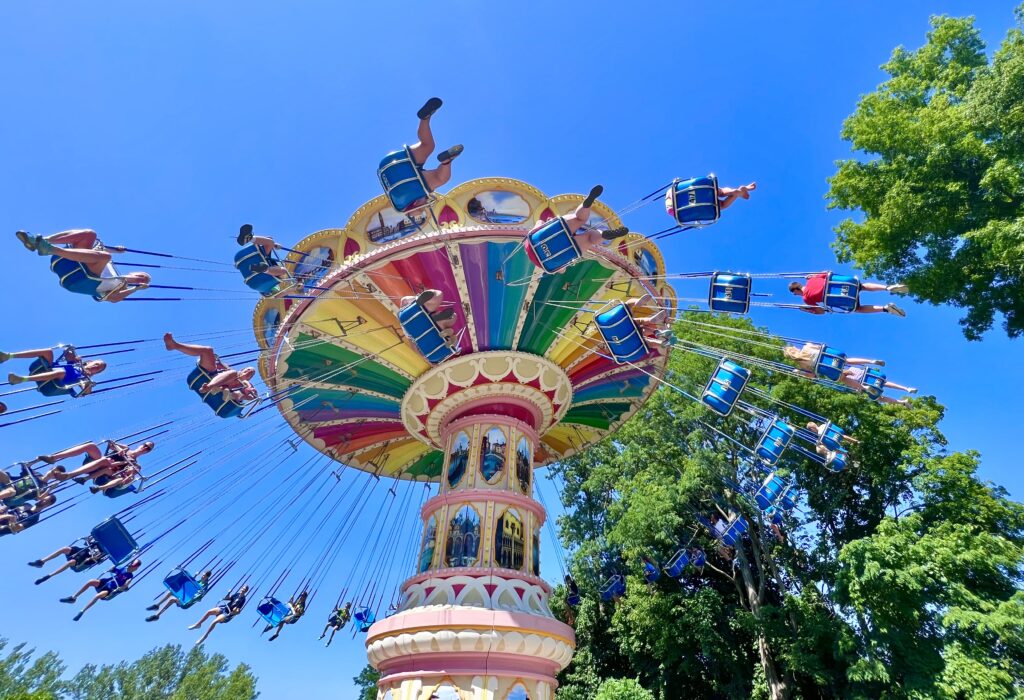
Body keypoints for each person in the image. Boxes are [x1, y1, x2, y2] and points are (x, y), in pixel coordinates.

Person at [15, 229, 150, 302]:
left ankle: (50, 249)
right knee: (90, 234)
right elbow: (96, 251)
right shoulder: (112, 269)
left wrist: (135, 289)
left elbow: (113, 299)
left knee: (104, 257)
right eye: (142, 276)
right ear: (134, 272)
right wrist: (116, 251)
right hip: (74, 261)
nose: (141, 279)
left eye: (143, 280)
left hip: (82, 280)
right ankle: (40, 242)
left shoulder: (121, 286)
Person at [525, 185, 629, 270]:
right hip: (541, 238)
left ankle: (604, 234)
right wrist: (547, 222)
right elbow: (539, 223)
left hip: (554, 258)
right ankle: (587, 206)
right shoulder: (528, 244)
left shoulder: (544, 264)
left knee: (589, 239)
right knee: (578, 218)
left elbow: (562, 269)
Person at [164, 333, 258, 403]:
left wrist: (253, 393)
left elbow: (252, 397)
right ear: (241, 370)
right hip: (214, 375)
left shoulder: (246, 385)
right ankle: (174, 345)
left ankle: (211, 388)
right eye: (248, 370)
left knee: (238, 391)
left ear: (249, 378)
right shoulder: (231, 371)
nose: (249, 371)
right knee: (208, 350)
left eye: (251, 373)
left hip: (228, 392)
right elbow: (219, 365)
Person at [37, 440, 153, 488]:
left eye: (148, 449)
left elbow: (126, 474)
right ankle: (53, 458)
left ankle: (70, 475)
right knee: (91, 446)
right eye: (145, 445)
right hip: (99, 461)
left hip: (104, 471)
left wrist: (127, 467)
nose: (144, 448)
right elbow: (111, 443)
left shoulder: (134, 463)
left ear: (147, 453)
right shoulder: (126, 448)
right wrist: (118, 449)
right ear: (141, 445)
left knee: (106, 461)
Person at [408, 97, 462, 195]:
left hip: (406, 187)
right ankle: (425, 118)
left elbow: (418, 210)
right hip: (394, 165)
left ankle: (447, 161)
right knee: (427, 145)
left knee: (440, 178)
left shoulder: (410, 201)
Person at [788, 273, 907, 316]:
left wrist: (808, 310)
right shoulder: (812, 279)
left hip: (844, 299)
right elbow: (828, 273)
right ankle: (887, 287)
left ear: (796, 291)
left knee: (858, 309)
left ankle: (885, 308)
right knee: (862, 286)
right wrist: (813, 275)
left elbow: (821, 311)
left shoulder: (806, 298)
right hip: (849, 285)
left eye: (795, 294)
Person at [60, 559, 141, 621]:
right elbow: (113, 569)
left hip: (110, 589)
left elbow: (126, 584)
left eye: (134, 567)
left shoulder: (130, 576)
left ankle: (82, 611)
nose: (132, 568)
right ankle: (73, 597)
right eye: (132, 566)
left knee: (97, 596)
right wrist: (112, 568)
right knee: (90, 581)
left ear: (136, 568)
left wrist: (125, 586)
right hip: (105, 582)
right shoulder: (122, 567)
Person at [1, 346, 104, 395]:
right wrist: (72, 353)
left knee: (61, 372)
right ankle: (8, 356)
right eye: (96, 364)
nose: (96, 367)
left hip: (52, 386)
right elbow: (66, 352)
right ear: (90, 361)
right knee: (48, 352)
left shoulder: (85, 378)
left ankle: (21, 379)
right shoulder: (76, 364)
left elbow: (85, 392)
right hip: (46, 369)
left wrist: (88, 384)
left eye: (98, 368)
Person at [29, 537, 107, 585]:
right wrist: (89, 540)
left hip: (85, 560)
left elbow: (99, 559)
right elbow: (87, 542)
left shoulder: (109, 549)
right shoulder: (99, 538)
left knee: (71, 562)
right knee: (65, 549)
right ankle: (41, 562)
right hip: (81, 552)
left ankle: (48, 576)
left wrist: (96, 557)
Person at [235, 224, 293, 289]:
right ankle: (249, 238)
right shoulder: (276, 274)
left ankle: (250, 239)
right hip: (262, 263)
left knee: (283, 270)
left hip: (261, 273)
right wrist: (273, 245)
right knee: (270, 241)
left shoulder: (272, 285)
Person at [664, 180, 757, 218]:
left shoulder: (671, 210)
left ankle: (737, 194)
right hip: (700, 189)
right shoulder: (672, 190)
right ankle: (735, 191)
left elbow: (687, 215)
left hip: (699, 202)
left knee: (722, 205)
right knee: (721, 191)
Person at [146, 570, 212, 622]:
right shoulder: (200, 581)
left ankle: (157, 615)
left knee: (172, 600)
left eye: (204, 576)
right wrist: (195, 575)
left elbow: (198, 596)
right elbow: (190, 584)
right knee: (171, 592)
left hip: (186, 602)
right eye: (202, 575)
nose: (202, 576)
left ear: (207, 577)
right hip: (184, 597)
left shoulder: (205, 586)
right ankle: (157, 605)